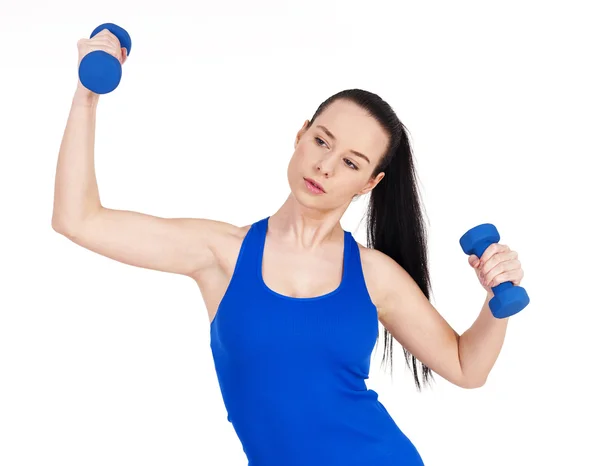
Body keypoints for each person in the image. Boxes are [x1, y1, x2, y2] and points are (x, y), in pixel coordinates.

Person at [52, 29, 525, 466]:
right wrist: (86, 96)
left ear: (370, 183)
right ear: (300, 135)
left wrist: (494, 301)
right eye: (321, 141)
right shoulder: (222, 253)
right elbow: (78, 220)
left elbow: (467, 367)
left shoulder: (373, 274)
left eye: (350, 162)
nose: (324, 166)